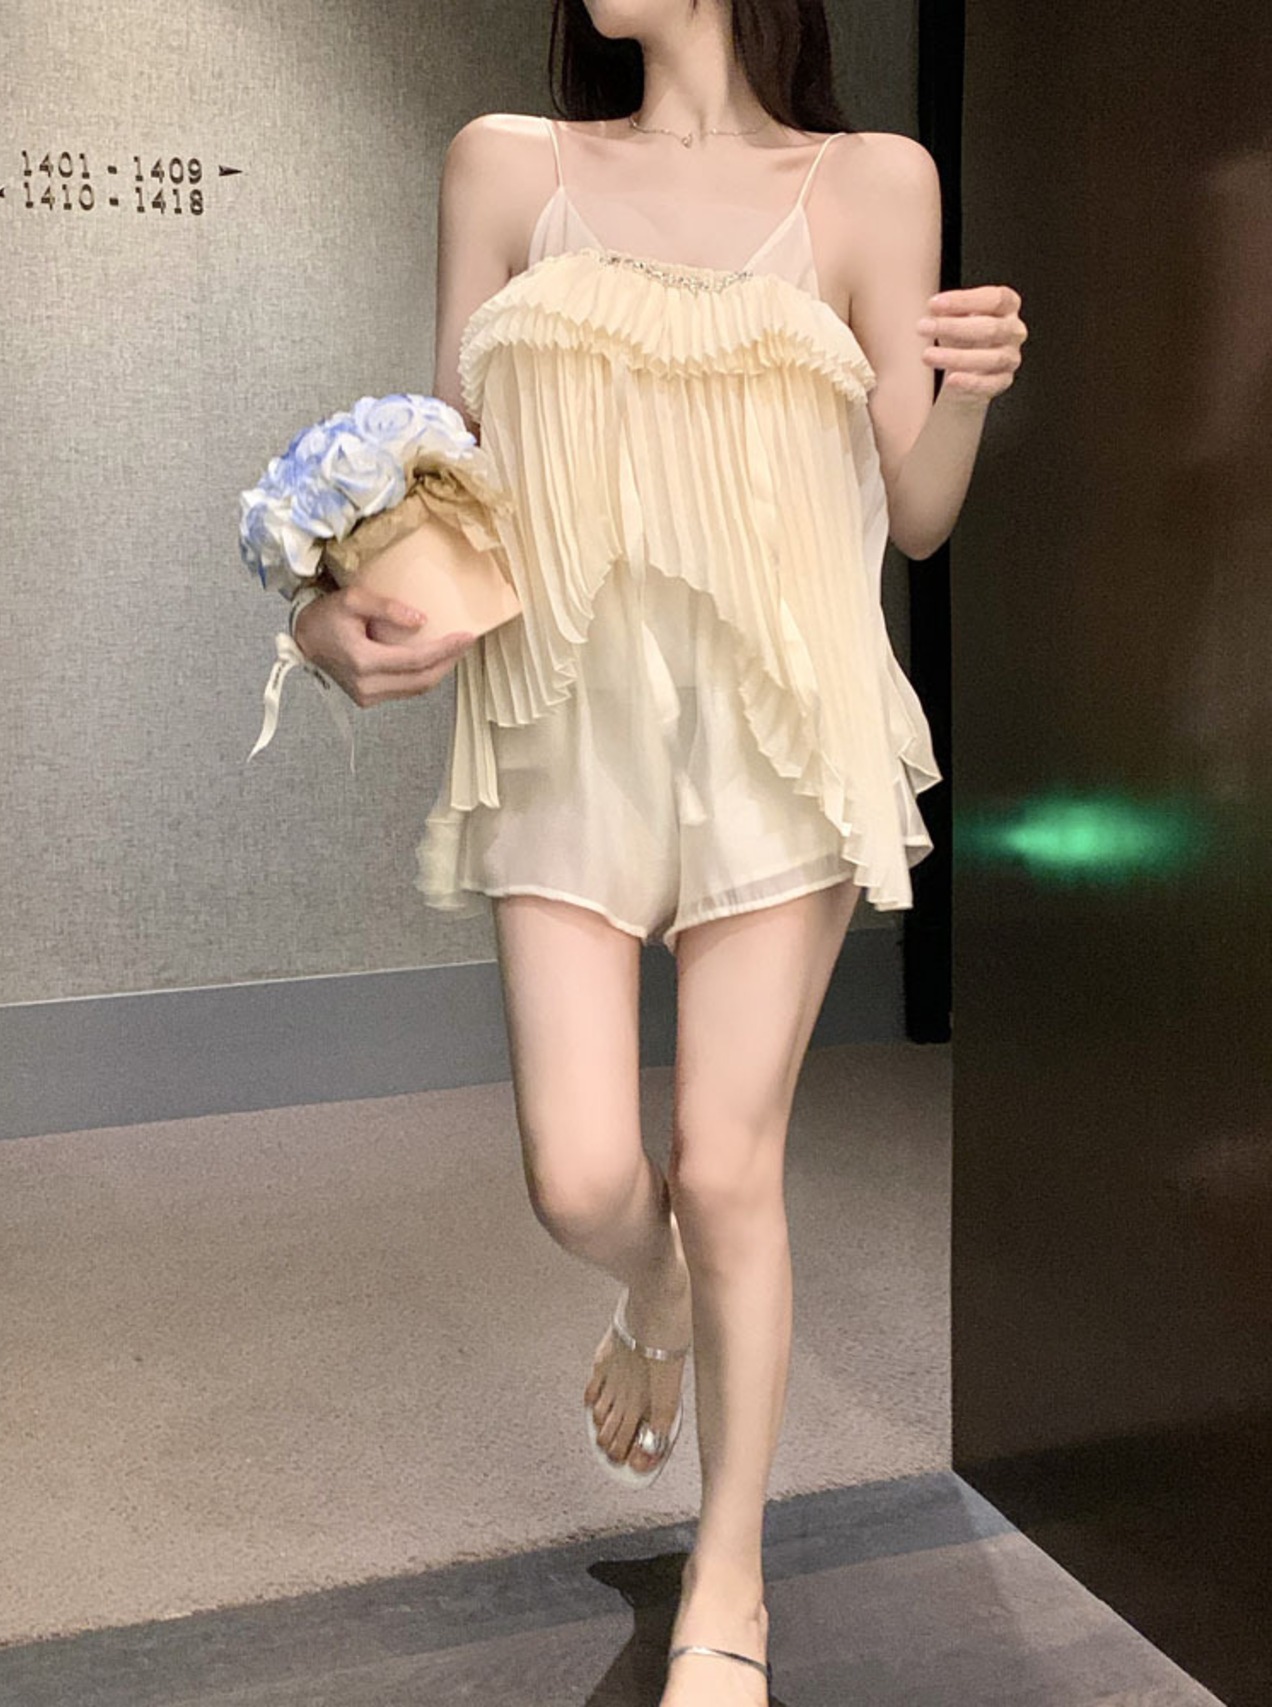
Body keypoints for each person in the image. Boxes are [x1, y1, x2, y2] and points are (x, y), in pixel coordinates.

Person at [290, 3, 1026, 1699]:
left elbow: (917, 516)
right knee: (579, 1179)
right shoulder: (506, 167)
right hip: (562, 723)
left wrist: (970, 393)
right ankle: (661, 1296)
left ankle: (728, 1587)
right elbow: (440, 486)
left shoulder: (875, 182)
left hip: (784, 729)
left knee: (727, 1161)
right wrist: (330, 618)